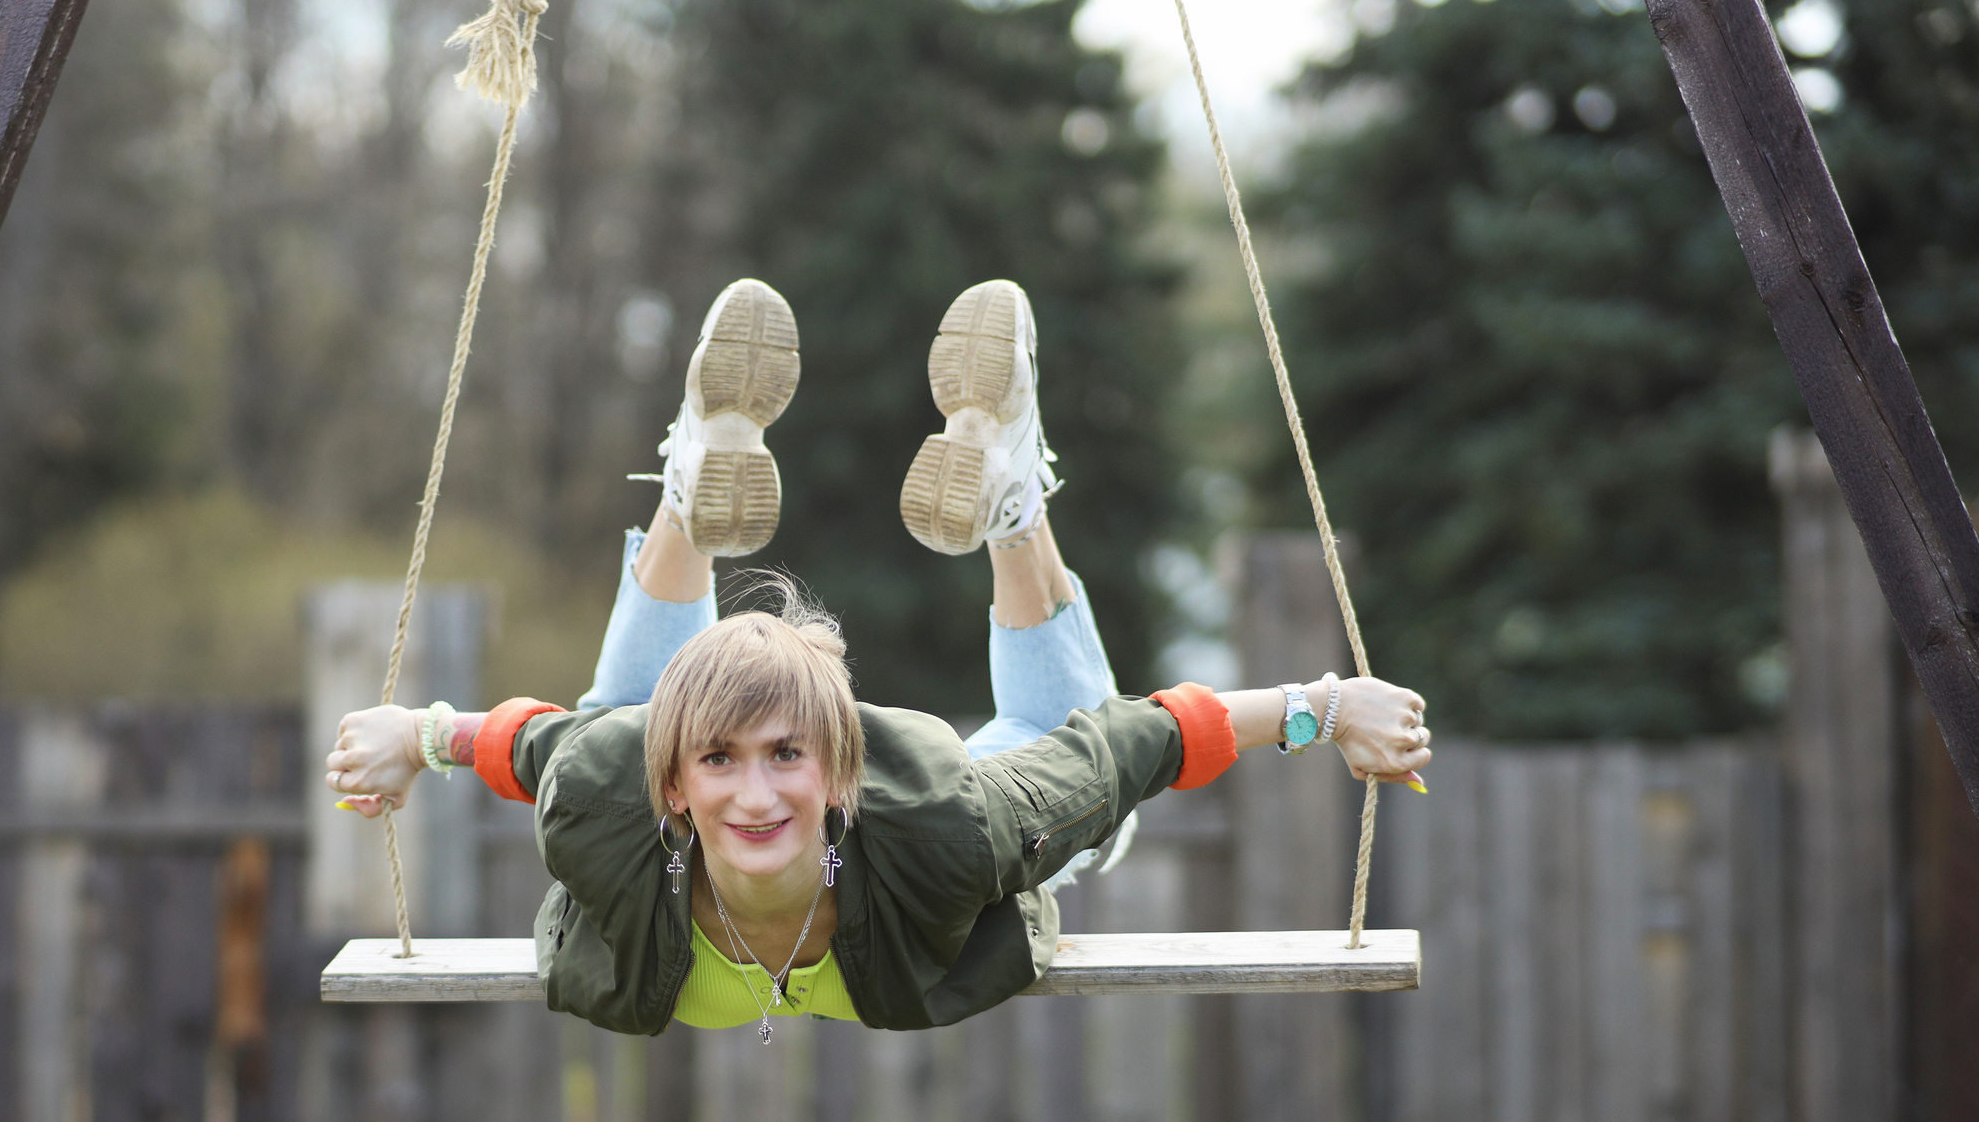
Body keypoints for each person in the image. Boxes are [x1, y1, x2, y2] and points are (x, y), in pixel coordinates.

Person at [324, 279, 1433, 1038]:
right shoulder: (604, 792)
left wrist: (1322, 706)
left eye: (786, 756)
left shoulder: (950, 829)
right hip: (637, 774)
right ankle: (701, 485)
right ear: (674, 784)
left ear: (842, 770)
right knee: (619, 712)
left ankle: (1004, 506)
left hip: (928, 816)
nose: (755, 794)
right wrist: (419, 735)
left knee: (1065, 756)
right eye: (717, 762)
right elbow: (532, 745)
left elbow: (1127, 743)